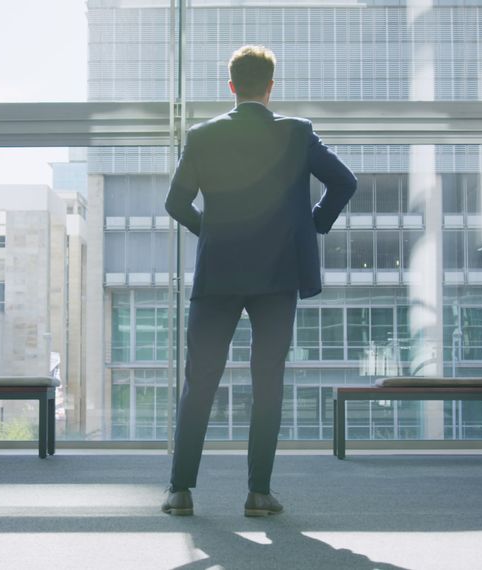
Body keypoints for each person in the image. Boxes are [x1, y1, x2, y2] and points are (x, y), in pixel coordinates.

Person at [162, 45, 356, 517]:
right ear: (271, 86)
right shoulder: (296, 133)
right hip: (277, 277)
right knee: (267, 382)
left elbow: (176, 204)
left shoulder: (203, 136)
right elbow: (344, 183)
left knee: (200, 381)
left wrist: (212, 231)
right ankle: (258, 494)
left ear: (232, 86)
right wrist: (311, 223)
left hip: (219, 274)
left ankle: (180, 492)